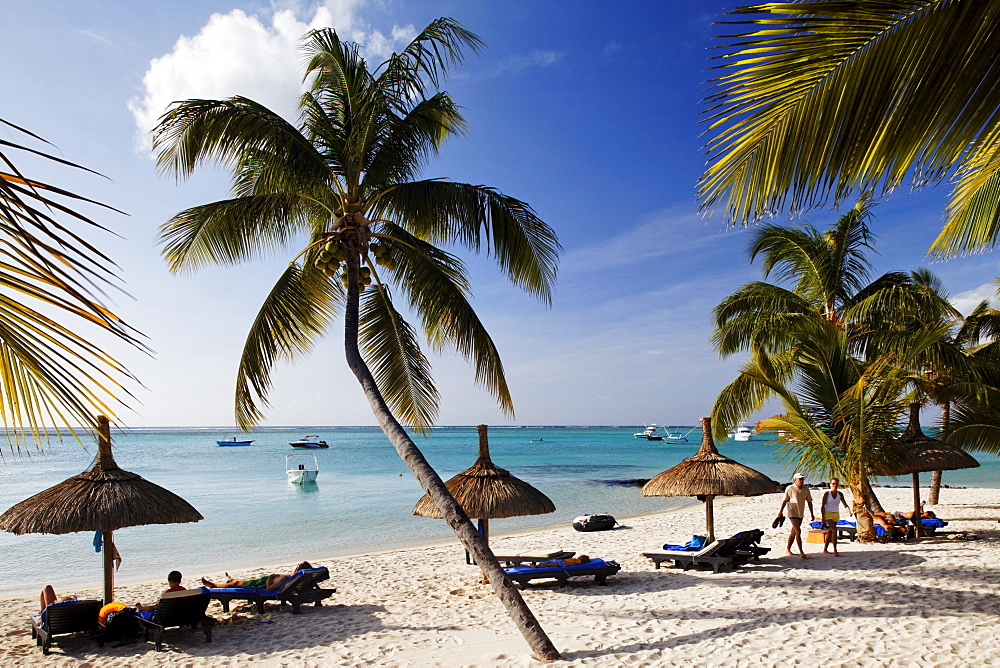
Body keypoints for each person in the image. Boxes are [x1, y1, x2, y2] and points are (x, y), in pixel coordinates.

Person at [778, 473, 816, 558]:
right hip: (792, 511)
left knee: (794, 532)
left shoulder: (806, 489)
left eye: (802, 479)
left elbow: (809, 501)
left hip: (800, 512)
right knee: (798, 531)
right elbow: (785, 500)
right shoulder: (790, 488)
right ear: (795, 480)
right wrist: (780, 512)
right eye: (800, 479)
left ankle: (788, 549)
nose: (802, 481)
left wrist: (812, 514)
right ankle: (801, 551)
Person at [201, 561, 312, 590]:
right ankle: (231, 579)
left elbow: (269, 589)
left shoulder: (285, 578)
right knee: (250, 579)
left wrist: (270, 578)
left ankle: (214, 585)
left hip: (262, 585)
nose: (294, 568)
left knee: (237, 584)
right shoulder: (294, 578)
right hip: (260, 581)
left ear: (298, 570)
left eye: (296, 567)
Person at [820, 478, 852, 556]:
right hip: (828, 513)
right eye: (833, 484)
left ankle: (825, 549)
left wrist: (849, 511)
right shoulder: (827, 494)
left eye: (836, 484)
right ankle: (835, 550)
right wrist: (823, 517)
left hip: (836, 513)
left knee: (830, 531)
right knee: (834, 530)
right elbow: (822, 506)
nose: (835, 485)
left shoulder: (840, 494)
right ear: (830, 484)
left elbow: (845, 504)